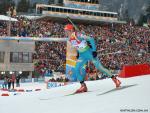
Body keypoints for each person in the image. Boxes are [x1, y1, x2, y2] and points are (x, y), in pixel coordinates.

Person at [64, 24, 121, 93]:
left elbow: (91, 39)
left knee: (100, 68)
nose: (66, 33)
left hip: (89, 53)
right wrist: (78, 53)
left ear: (71, 30)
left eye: (67, 31)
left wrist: (94, 50)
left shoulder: (77, 35)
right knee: (76, 69)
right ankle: (83, 86)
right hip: (82, 55)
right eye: (65, 31)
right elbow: (77, 45)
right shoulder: (70, 38)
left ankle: (115, 80)